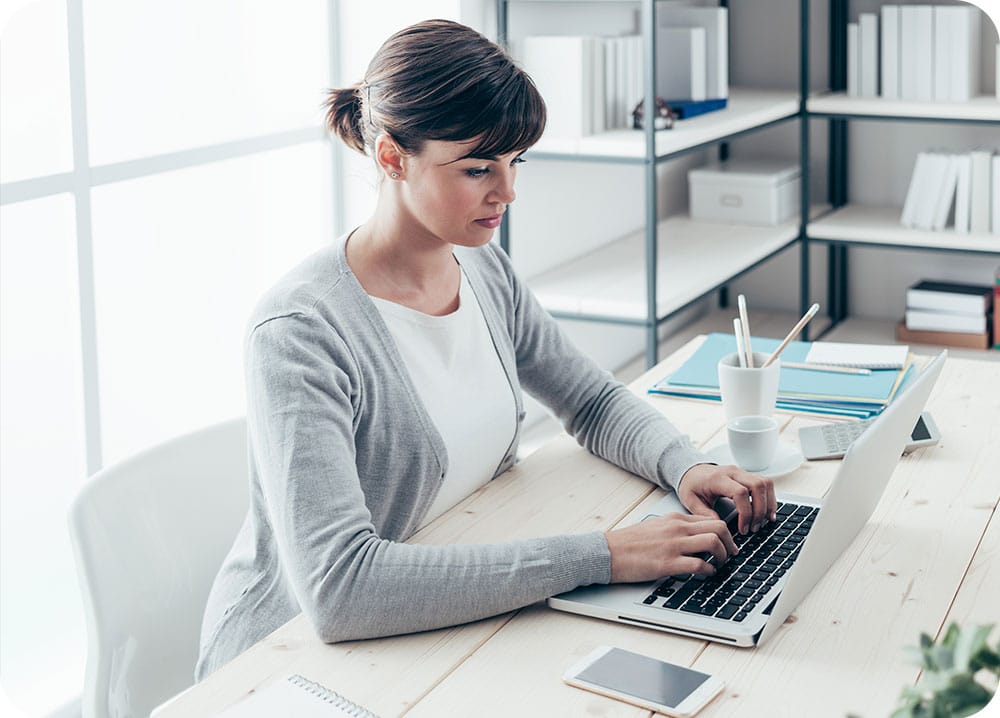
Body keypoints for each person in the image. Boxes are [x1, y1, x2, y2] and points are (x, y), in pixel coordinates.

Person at [195, 18, 775, 680]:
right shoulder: (301, 333)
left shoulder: (482, 268)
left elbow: (588, 398)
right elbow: (340, 589)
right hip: (290, 663)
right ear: (391, 158)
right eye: (477, 169)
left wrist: (687, 467)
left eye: (513, 162)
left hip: (443, 612)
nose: (507, 192)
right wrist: (605, 555)